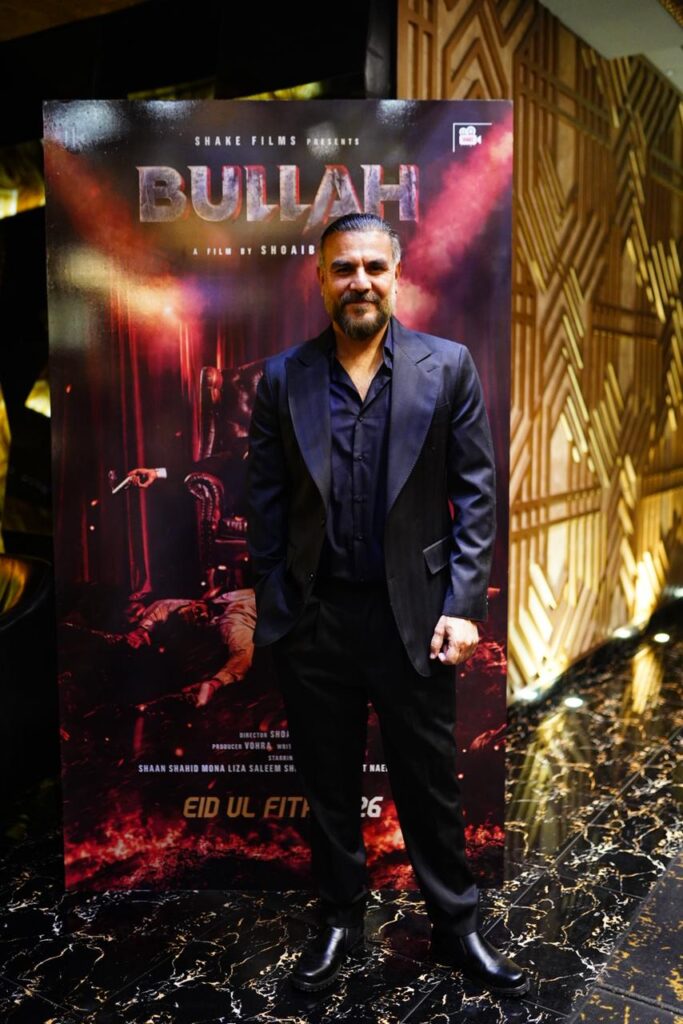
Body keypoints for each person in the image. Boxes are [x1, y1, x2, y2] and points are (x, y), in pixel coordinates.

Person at [246, 213, 528, 997]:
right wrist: (277, 601)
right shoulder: (284, 377)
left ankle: (456, 928)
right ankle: (340, 917)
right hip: (315, 620)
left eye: (373, 267)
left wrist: (462, 604)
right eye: (344, 269)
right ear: (320, 279)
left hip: (416, 617)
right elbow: (264, 503)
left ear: (395, 277)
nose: (359, 281)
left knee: (428, 781)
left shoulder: (448, 366)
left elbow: (476, 494)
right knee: (327, 784)